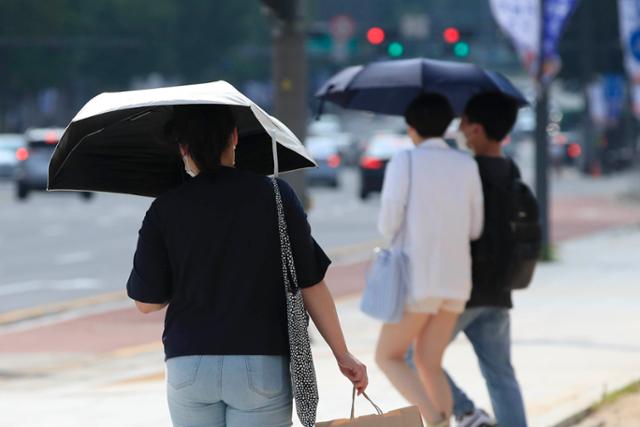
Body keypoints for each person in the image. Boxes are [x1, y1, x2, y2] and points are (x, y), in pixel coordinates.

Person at [126, 104, 367, 427]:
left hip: (189, 363)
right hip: (260, 361)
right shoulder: (276, 196)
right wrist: (343, 354)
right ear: (235, 138)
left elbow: (146, 303)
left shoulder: (165, 208)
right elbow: (309, 283)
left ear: (183, 148)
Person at [375, 93, 484, 427]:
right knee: (428, 361)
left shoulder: (404, 162)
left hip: (417, 280)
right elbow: (476, 227)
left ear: (411, 129)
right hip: (456, 281)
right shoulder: (466, 164)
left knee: (388, 356)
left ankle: (435, 420)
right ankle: (442, 421)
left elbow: (387, 224)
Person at [448, 92, 528, 427]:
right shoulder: (511, 169)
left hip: (466, 291)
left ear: (477, 129)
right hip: (500, 289)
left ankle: (467, 413)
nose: (460, 128)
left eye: (464, 122)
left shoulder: (467, 172)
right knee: (500, 374)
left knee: (409, 355)